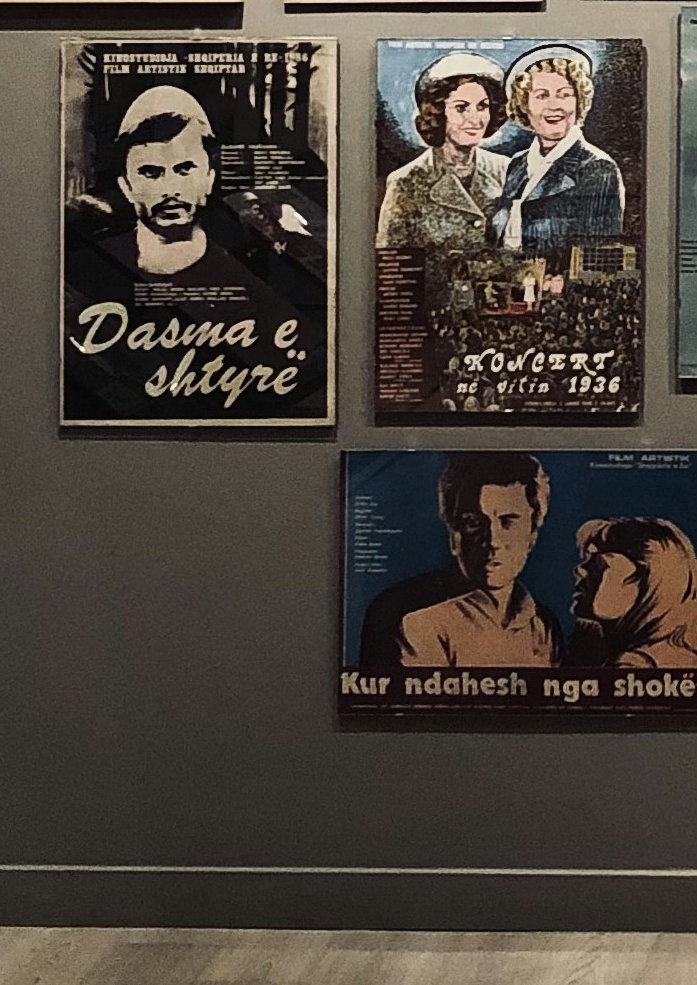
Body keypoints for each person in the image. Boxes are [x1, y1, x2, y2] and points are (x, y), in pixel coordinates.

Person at [61, 80, 325, 415]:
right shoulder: (91, 269)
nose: (170, 189)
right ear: (126, 186)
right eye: (151, 173)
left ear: (209, 177)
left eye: (185, 169)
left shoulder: (260, 263)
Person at [384, 455, 556, 672]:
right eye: (474, 523)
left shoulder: (545, 626)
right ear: (454, 537)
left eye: (508, 522)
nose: (493, 541)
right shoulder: (421, 624)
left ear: (532, 535)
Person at [491, 47, 627, 251]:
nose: (554, 106)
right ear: (524, 105)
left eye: (564, 95)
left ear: (579, 102)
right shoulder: (517, 164)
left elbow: (595, 256)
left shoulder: (597, 168)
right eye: (542, 96)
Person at [376, 51, 504, 259]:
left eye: (483, 106)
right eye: (461, 108)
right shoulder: (406, 182)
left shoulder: (508, 170)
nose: (474, 119)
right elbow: (392, 262)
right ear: (437, 113)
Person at [564, 516, 697, 677]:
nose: (580, 570)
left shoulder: (632, 666)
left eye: (599, 562)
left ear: (648, 580)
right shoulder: (687, 659)